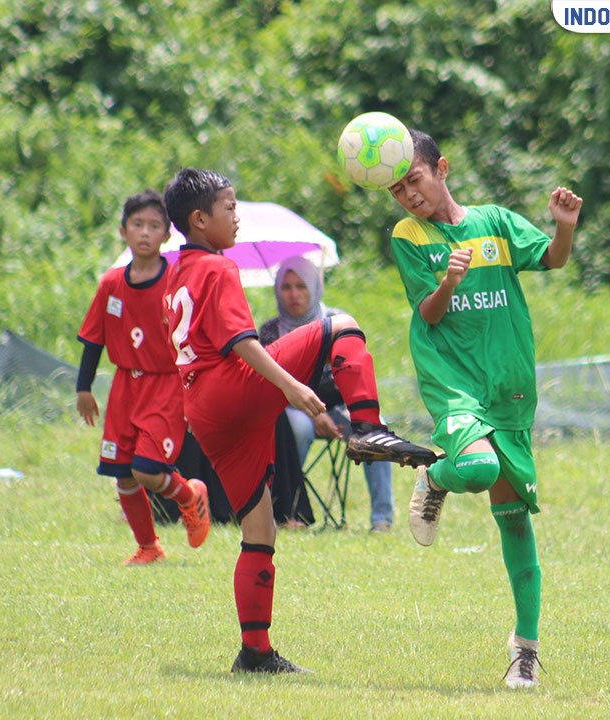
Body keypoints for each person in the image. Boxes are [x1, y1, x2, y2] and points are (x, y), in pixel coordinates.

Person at [161, 167, 436, 674]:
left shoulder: (173, 274)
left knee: (259, 528)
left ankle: (255, 653)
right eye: (229, 208)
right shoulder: (217, 269)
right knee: (342, 327)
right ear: (200, 220)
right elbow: (241, 343)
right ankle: (368, 427)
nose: (236, 216)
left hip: (201, 409)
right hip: (230, 387)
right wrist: (289, 386)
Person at [386, 128, 581, 689]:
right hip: (454, 381)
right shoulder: (409, 234)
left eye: (414, 180)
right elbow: (427, 314)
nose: (408, 195)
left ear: (441, 168)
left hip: (509, 385)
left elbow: (553, 259)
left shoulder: (494, 222)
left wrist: (564, 226)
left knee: (516, 520)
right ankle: (434, 475)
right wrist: (448, 280)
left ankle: (525, 652)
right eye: (397, 189)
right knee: (477, 467)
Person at [76, 190, 211, 566]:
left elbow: (196, 337)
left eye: (154, 226)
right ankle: (148, 547)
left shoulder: (176, 282)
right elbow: (93, 338)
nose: (145, 233)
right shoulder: (111, 284)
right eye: (137, 225)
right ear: (123, 232)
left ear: (168, 235)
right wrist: (83, 388)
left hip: (166, 384)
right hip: (124, 387)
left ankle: (189, 496)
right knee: (123, 474)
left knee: (147, 469)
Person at [259, 255, 396, 532]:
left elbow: (354, 369)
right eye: (286, 287)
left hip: (338, 405)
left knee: (376, 429)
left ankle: (382, 519)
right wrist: (311, 416)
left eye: (301, 286)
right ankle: (288, 511)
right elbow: (270, 386)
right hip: (290, 409)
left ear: (314, 287)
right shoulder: (270, 331)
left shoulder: (335, 321)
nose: (294, 294)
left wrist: (352, 408)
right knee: (295, 431)